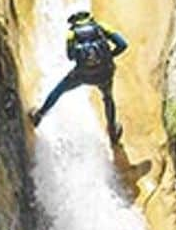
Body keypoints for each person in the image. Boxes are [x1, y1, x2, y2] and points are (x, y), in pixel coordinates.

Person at [29, 11, 128, 143]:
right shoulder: (101, 27)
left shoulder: (72, 33)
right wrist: (109, 56)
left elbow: (70, 56)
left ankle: (39, 115)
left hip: (83, 74)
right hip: (104, 73)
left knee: (59, 90)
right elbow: (122, 44)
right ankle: (112, 132)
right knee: (108, 98)